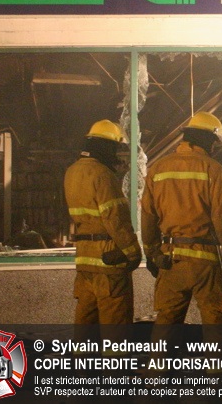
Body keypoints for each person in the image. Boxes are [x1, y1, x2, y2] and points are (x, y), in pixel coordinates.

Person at [141, 112, 222, 335]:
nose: (213, 148)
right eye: (213, 142)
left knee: (167, 321)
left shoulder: (158, 168)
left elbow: (148, 216)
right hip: (206, 262)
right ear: (206, 139)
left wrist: (152, 253)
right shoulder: (212, 168)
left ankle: (160, 359)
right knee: (215, 320)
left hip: (171, 259)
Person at [64, 119, 141, 325]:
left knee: (86, 323)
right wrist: (133, 252)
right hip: (109, 260)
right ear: (106, 146)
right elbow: (115, 218)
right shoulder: (103, 174)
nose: (116, 154)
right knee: (116, 325)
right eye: (114, 148)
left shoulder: (72, 171)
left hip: (84, 260)